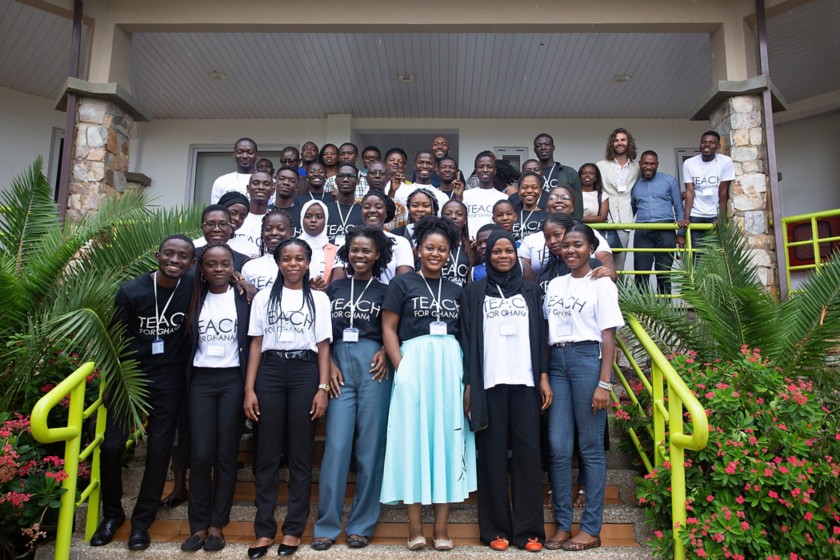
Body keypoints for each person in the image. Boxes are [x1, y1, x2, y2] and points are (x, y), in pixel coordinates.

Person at [380, 216, 477, 552]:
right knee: (414, 441)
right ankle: (414, 527)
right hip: (413, 364)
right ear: (418, 249)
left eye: (443, 249)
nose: (436, 253)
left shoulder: (457, 289)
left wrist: (467, 381)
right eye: (429, 248)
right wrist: (401, 368)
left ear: (450, 253)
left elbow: (465, 336)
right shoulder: (403, 284)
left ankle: (441, 528)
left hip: (450, 367)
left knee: (447, 443)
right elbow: (389, 328)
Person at [91, 235, 195, 550]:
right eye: (169, 254)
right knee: (110, 448)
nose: (175, 260)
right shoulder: (131, 291)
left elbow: (225, 276)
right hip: (131, 380)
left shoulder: (191, 287)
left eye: (183, 256)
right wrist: (111, 382)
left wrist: (241, 281)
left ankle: (141, 522)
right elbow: (114, 339)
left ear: (191, 263)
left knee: (159, 452)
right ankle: (112, 515)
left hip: (170, 381)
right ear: (157, 255)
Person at [460, 230, 552, 553]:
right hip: (489, 384)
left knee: (528, 456)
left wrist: (542, 377)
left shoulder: (531, 290)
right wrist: (470, 383)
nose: (502, 256)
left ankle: (529, 531)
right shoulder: (474, 292)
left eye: (508, 251)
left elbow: (541, 337)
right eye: (496, 251)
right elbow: (468, 340)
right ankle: (495, 529)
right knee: (493, 456)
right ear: (487, 256)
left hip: (525, 383)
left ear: (516, 254)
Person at [243, 239, 332, 558]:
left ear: (309, 263)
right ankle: (264, 530)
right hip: (270, 372)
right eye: (286, 258)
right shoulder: (265, 297)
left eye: (299, 259)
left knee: (300, 453)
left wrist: (322, 389)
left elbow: (323, 347)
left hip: (304, 373)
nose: (293, 264)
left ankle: (293, 529)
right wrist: (249, 389)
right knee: (266, 454)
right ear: (277, 262)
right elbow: (255, 344)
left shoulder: (320, 299)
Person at [311, 228, 394, 551]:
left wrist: (387, 351)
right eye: (355, 250)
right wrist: (328, 362)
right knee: (336, 446)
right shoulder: (334, 288)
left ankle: (361, 524)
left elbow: (393, 328)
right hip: (338, 366)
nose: (360, 256)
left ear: (378, 255)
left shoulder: (387, 290)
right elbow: (321, 332)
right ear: (348, 252)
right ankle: (327, 525)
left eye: (367, 251)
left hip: (374, 364)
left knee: (370, 447)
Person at [543, 224, 624, 552]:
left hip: (587, 360)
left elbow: (608, 336)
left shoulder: (602, 283)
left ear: (591, 247)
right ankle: (563, 525)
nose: (571, 250)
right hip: (557, 361)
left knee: (590, 447)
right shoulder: (553, 285)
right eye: (566, 246)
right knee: (558, 446)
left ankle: (590, 528)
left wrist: (604, 383)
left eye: (578, 245)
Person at [180, 243, 250, 553]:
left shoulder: (245, 298)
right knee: (202, 453)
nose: (218, 269)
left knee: (225, 454)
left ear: (233, 266)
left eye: (224, 264)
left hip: (233, 378)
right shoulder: (192, 297)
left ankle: (217, 525)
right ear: (202, 268)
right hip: (202, 381)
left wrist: (247, 286)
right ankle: (197, 525)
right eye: (211, 264)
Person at [520, 185, 615, 280]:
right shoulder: (530, 239)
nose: (559, 201)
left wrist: (608, 275)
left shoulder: (589, 233)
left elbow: (609, 271)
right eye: (553, 198)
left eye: (564, 198)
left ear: (573, 207)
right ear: (546, 206)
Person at [330, 190, 414, 285]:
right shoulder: (347, 241)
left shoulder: (400, 243)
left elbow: (405, 283)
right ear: (361, 212)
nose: (372, 210)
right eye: (366, 207)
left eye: (378, 207)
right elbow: (337, 282)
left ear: (386, 212)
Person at [632, 150, 685, 294]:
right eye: (645, 163)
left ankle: (665, 310)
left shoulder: (669, 180)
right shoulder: (634, 184)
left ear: (657, 165)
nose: (648, 167)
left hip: (666, 229)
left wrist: (681, 234)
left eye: (652, 164)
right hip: (642, 231)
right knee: (641, 272)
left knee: (664, 272)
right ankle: (641, 311)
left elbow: (679, 207)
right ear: (640, 164)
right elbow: (630, 209)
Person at [682, 130, 734, 246]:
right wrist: (686, 217)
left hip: (715, 215)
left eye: (711, 142)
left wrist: (722, 217)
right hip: (696, 215)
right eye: (704, 142)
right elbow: (690, 191)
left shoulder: (725, 162)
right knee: (696, 251)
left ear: (718, 146)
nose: (707, 145)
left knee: (715, 252)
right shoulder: (689, 163)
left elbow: (723, 191)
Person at [597, 128, 639, 269]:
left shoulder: (637, 167)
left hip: (625, 220)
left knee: (619, 265)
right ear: (611, 143)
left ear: (629, 143)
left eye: (623, 140)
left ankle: (618, 291)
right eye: (616, 140)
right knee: (601, 262)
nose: (619, 143)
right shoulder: (601, 166)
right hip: (605, 219)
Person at [241, 208, 295, 292]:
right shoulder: (250, 267)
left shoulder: (299, 265)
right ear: (262, 233)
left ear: (291, 233)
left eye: (280, 229)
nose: (273, 233)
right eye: (268, 229)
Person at [533, 133, 583, 220]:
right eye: (539, 145)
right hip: (536, 220)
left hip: (564, 221)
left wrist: (576, 222)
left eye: (547, 144)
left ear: (553, 147)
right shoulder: (531, 174)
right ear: (535, 150)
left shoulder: (569, 173)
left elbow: (578, 202)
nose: (543, 147)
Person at [463, 152, 508, 238]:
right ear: (476, 171)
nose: (485, 170)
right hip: (469, 245)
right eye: (481, 167)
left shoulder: (504, 198)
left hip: (494, 245)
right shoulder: (465, 195)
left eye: (489, 167)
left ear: (495, 170)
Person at [297, 200, 338, 290]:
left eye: (319, 217)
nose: (313, 220)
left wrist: (325, 289)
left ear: (326, 219)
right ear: (301, 219)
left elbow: (337, 284)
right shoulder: (293, 247)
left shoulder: (335, 251)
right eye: (308, 216)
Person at [237, 172, 275, 258]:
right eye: (256, 183)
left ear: (273, 191)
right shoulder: (236, 218)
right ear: (248, 188)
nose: (261, 187)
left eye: (266, 184)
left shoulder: (275, 221)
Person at [324, 163, 363, 245]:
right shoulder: (324, 210)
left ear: (357, 181)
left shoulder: (363, 211)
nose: (345, 179)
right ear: (335, 181)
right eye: (341, 176)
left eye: (351, 175)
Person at [210, 138, 258, 203]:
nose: (244, 156)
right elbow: (216, 211)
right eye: (240, 152)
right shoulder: (221, 181)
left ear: (257, 156)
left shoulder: (268, 182)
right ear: (234, 155)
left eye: (250, 152)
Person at [441, 199, 474, 286]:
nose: (453, 217)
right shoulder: (433, 246)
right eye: (448, 214)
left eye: (459, 214)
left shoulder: (472, 248)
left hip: (464, 296)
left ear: (465, 220)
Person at [513, 172, 549, 241]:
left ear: (540, 191)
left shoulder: (547, 216)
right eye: (525, 187)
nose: (529, 191)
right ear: (518, 191)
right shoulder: (511, 215)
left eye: (534, 187)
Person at [217, 191, 254, 256]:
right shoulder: (198, 244)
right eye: (233, 213)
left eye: (242, 217)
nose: (237, 219)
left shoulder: (249, 247)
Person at [270, 166, 302, 237]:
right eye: (282, 179)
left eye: (292, 181)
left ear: (296, 187)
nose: (286, 183)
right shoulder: (265, 211)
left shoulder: (303, 215)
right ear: (275, 183)